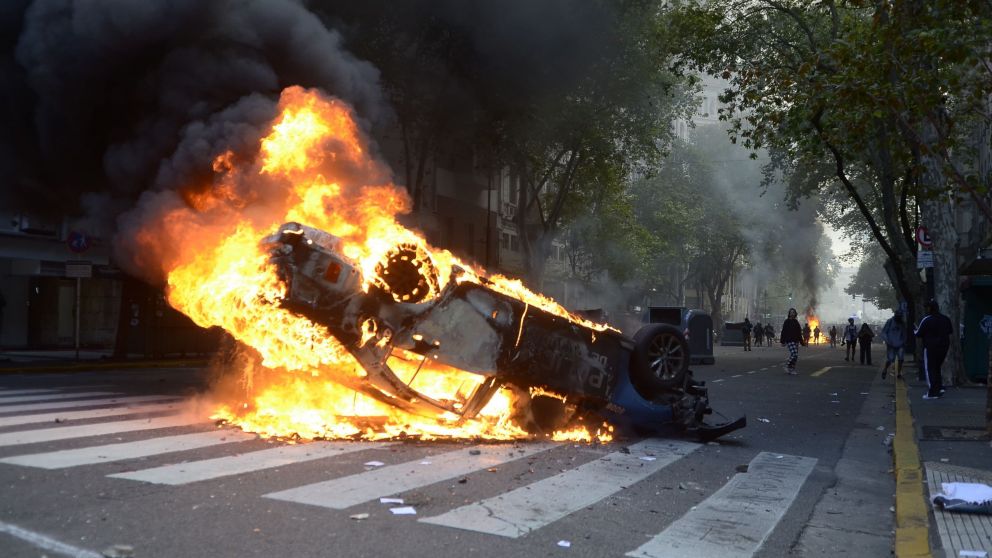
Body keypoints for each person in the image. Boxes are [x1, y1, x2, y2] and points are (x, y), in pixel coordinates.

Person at [915, 299, 953, 400]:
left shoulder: (927, 319)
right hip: (944, 347)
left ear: (929, 308)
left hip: (931, 348)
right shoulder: (946, 319)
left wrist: (915, 330)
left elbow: (918, 334)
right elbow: (950, 332)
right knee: (937, 368)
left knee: (930, 369)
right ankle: (939, 388)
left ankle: (932, 392)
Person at [880, 310, 908, 380]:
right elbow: (884, 332)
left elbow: (904, 334)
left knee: (901, 359)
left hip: (900, 344)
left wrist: (904, 342)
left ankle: (899, 373)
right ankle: (885, 369)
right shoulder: (890, 322)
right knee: (890, 359)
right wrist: (887, 341)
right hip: (891, 344)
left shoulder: (902, 323)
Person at [780, 308, 805, 375]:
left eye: (793, 312)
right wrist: (782, 341)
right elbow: (784, 331)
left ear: (795, 313)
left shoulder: (796, 322)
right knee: (794, 354)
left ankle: (792, 369)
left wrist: (802, 342)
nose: (792, 313)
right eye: (791, 312)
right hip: (789, 340)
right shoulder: (787, 321)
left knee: (795, 356)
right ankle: (787, 365)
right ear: (789, 313)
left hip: (796, 340)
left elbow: (799, 333)